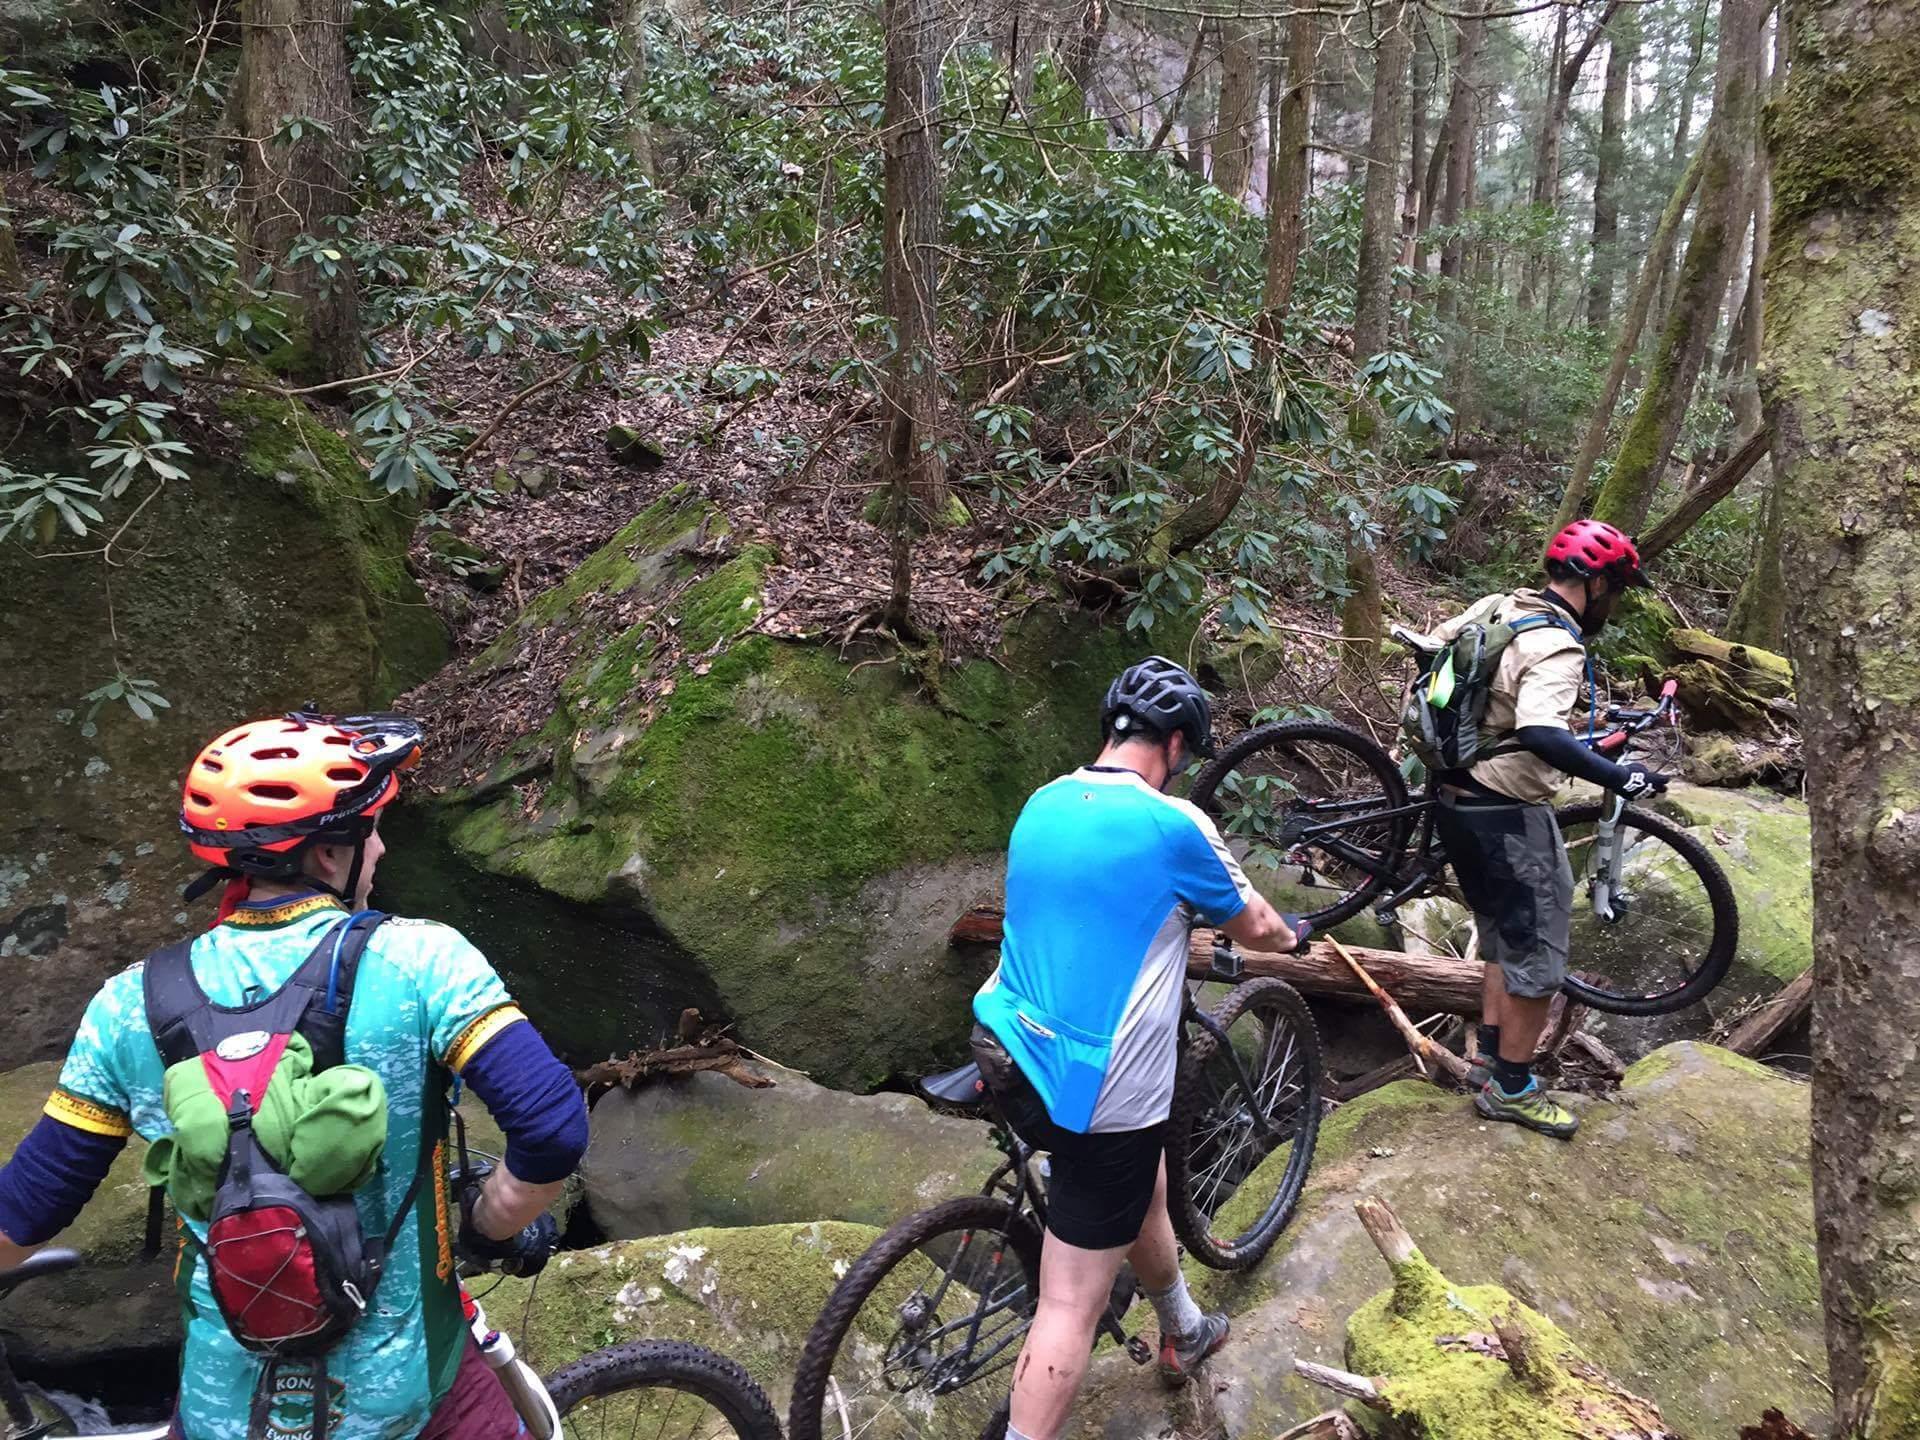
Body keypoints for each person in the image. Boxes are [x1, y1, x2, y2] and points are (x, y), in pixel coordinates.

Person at [0, 711, 589, 1440]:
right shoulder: (420, 962)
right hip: (405, 1399)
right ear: (328, 855)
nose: (379, 845)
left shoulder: (128, 1005)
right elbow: (552, 1126)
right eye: (370, 828)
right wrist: (487, 1220)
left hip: (226, 1407)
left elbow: (28, 1204)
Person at [970, 657, 1306, 1440]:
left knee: (1140, 1181)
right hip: (1097, 1082)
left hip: (1004, 1040)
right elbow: (1253, 924)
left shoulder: (1042, 801)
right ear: (1179, 744)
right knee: (1068, 1303)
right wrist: (1296, 935)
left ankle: (1183, 1327)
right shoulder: (1173, 824)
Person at [1422, 520, 1670, 1140]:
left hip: (1455, 800)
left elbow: (1447, 663)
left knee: (1502, 934)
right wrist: (1620, 775)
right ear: (1598, 583)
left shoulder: (1499, 607)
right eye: (1617, 590)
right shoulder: (1559, 645)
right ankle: (1511, 1086)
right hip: (1508, 812)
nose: (1615, 603)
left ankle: (1486, 1059)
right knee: (1538, 948)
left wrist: (1581, 730)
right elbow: (1537, 732)